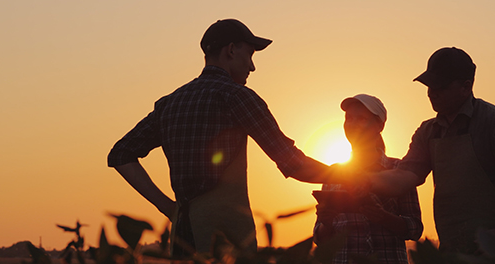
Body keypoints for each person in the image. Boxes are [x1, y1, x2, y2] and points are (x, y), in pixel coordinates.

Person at [107, 19, 330, 257]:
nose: (252, 66)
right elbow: (293, 163)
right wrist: (351, 177)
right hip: (228, 245)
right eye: (250, 54)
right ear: (231, 50)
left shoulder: (170, 104)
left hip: (182, 241)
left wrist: (169, 208)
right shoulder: (237, 97)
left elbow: (121, 154)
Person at [368, 47, 495, 253]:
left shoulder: (494, 123)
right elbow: (404, 176)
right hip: (452, 252)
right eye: (429, 85)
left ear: (466, 86)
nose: (432, 92)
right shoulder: (428, 132)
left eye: (440, 86)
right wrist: (361, 179)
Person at [313, 94, 423, 264]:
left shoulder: (399, 170)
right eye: (349, 118)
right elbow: (319, 238)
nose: (353, 124)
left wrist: (383, 217)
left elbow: (415, 229)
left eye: (361, 119)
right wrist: (326, 222)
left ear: (380, 125)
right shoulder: (333, 173)